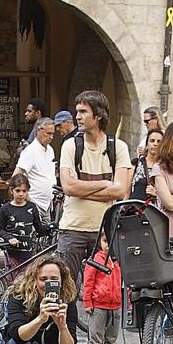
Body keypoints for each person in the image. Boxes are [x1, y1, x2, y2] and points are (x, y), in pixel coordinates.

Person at [56, 90, 131, 280]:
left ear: (98, 116)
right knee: (66, 289)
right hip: (73, 228)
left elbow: (121, 190)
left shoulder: (118, 147)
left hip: (105, 230)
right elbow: (68, 187)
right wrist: (106, 184)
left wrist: (82, 190)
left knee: (107, 290)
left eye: (83, 112)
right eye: (77, 112)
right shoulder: (70, 145)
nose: (77, 117)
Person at [82, 227, 123, 344]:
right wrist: (88, 302)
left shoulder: (118, 260)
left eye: (111, 242)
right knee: (96, 334)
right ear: (100, 241)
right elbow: (88, 282)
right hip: (98, 304)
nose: (108, 245)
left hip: (115, 305)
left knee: (112, 336)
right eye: (105, 241)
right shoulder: (95, 260)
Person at [0, 171, 45, 274]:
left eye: (24, 191)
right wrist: (10, 238)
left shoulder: (32, 207)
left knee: (27, 282)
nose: (21, 194)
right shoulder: (6, 209)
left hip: (28, 253)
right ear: (11, 190)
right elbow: (1, 230)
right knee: (13, 282)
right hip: (12, 254)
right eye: (18, 191)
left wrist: (52, 227)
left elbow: (39, 228)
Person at [14, 116, 57, 216]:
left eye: (53, 134)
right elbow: (16, 176)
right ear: (38, 131)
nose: (51, 137)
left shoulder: (50, 150)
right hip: (34, 203)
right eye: (48, 133)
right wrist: (26, 198)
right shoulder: (30, 151)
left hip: (47, 204)